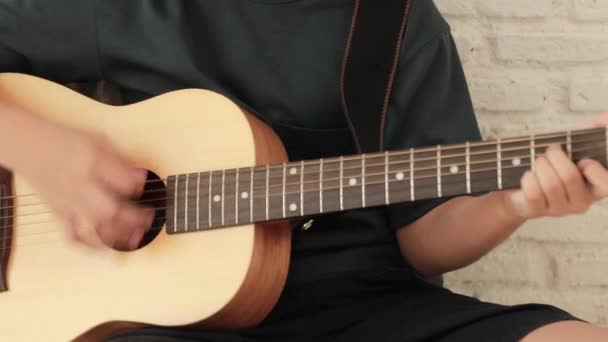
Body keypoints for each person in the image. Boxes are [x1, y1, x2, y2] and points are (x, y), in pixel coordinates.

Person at [1, 1, 607, 341]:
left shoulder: (395, 20)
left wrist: (514, 203)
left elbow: (426, 242)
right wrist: (45, 155)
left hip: (369, 304)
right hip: (166, 322)